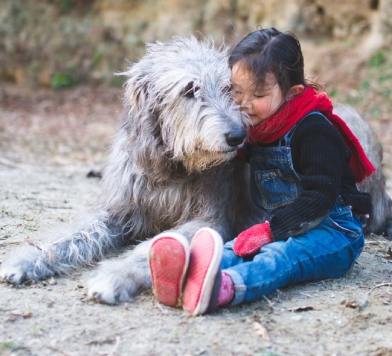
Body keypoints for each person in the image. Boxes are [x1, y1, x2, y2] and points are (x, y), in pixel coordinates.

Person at [148, 28, 375, 315]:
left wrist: (270, 231)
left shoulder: (314, 129)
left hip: (334, 231)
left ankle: (225, 288)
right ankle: (185, 275)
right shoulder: (259, 128)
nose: (243, 104)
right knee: (231, 248)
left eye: (258, 94)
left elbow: (321, 199)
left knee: (279, 257)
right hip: (284, 225)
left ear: (292, 93)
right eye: (235, 91)